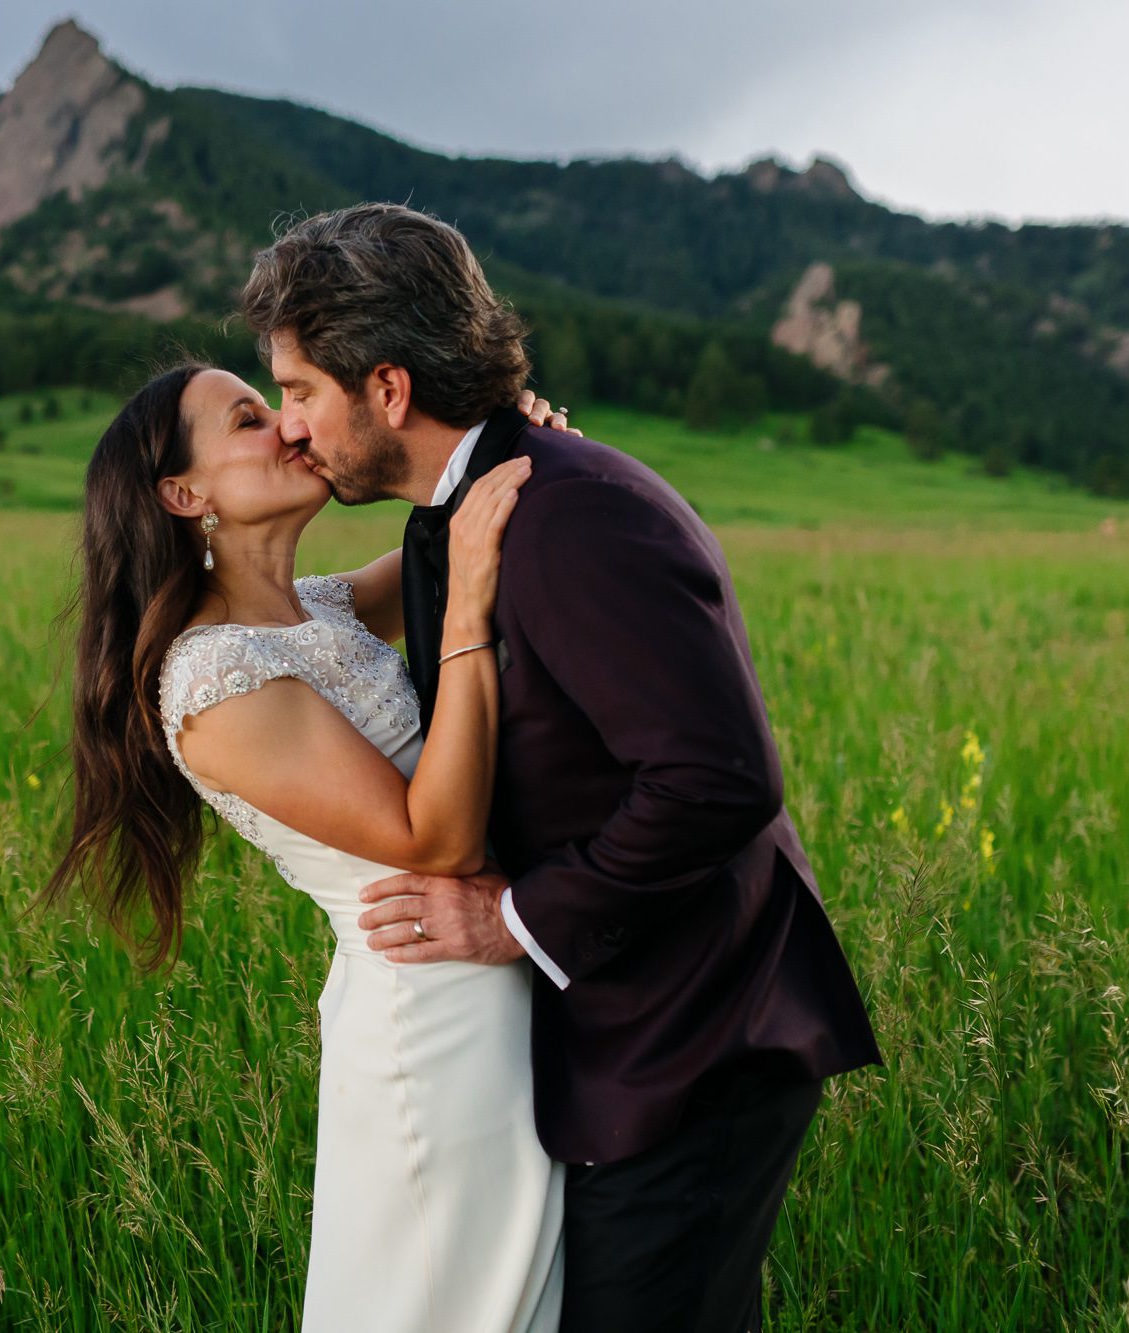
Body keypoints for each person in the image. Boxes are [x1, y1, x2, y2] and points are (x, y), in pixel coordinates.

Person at [239, 202, 884, 1331]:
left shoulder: (570, 516)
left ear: (387, 390)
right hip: (610, 1042)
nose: (290, 429)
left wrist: (514, 919)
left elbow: (716, 779)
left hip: (692, 1043)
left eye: (298, 393)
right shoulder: (462, 510)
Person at [44, 358, 580, 1330]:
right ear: (183, 493)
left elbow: (448, 530)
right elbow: (437, 838)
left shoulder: (313, 610)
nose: (290, 430)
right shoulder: (211, 682)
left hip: (488, 996)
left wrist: (522, 445)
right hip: (429, 1026)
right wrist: (462, 611)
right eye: (251, 418)